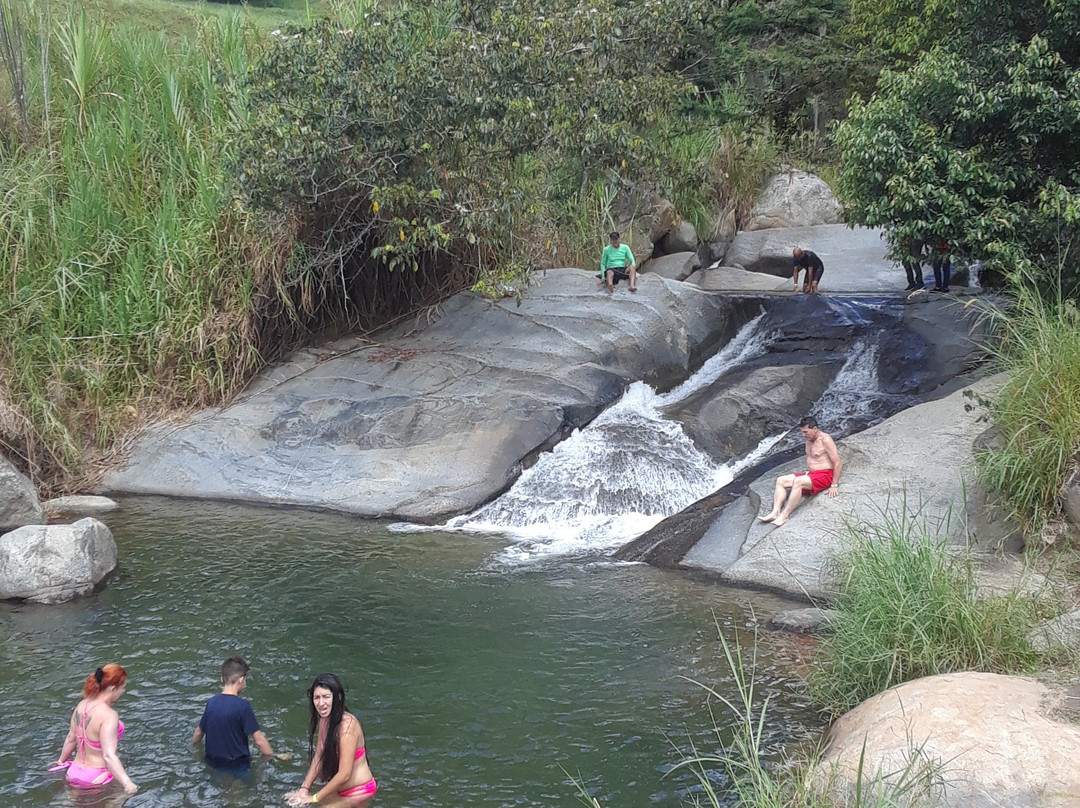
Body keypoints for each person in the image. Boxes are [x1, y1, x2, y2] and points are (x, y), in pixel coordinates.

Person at [285, 674, 376, 806]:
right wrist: (304, 790)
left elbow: (345, 774)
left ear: (337, 697)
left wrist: (314, 798)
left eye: (326, 697)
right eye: (317, 698)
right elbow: (319, 757)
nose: (321, 703)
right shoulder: (325, 721)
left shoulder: (347, 726)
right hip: (338, 791)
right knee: (292, 801)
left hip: (360, 791)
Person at [52, 664, 137, 794]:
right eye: (123, 687)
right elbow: (108, 755)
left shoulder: (82, 705)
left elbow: (71, 738)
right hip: (96, 776)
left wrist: (60, 762)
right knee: (120, 798)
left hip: (73, 772)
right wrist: (128, 783)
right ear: (113, 688)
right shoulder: (109, 715)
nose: (123, 691)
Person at [193, 656, 277, 777]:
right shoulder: (243, 706)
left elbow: (198, 732)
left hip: (212, 762)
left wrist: (194, 749)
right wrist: (273, 756)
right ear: (241, 680)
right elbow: (259, 740)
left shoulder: (211, 703)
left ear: (222, 679)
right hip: (237, 765)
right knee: (236, 787)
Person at [757, 416, 842, 527]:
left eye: (806, 432)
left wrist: (834, 485)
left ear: (815, 429)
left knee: (798, 481)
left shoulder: (825, 440)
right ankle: (775, 512)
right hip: (812, 475)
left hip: (825, 475)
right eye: (802, 432)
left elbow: (837, 462)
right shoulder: (809, 439)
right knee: (781, 480)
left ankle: (785, 515)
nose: (803, 435)